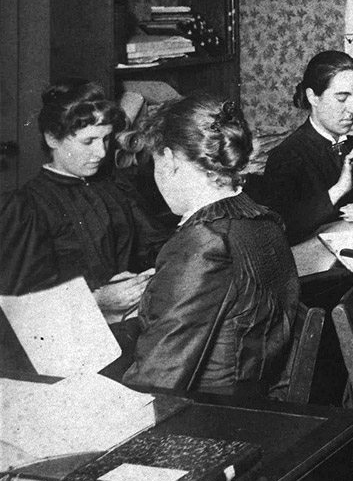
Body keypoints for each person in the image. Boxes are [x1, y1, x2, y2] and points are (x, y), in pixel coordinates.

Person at [121, 94, 299, 396]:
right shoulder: (263, 220)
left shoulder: (204, 242)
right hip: (255, 399)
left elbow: (156, 378)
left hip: (210, 415)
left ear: (169, 160)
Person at [0, 80, 154, 321]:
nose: (102, 153)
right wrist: (97, 302)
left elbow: (153, 244)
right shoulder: (28, 207)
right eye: (88, 141)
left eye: (105, 139)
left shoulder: (114, 184)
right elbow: (19, 309)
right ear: (52, 138)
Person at [255, 51, 353, 244]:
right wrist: (338, 190)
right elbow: (280, 231)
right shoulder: (287, 156)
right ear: (313, 97)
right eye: (341, 98)